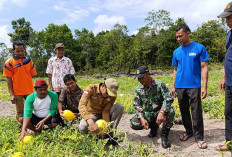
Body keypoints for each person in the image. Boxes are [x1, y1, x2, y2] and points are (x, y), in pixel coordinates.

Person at [171, 24, 209, 149]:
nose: (178, 39)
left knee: (196, 111)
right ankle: (189, 131)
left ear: (188, 33)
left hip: (194, 85)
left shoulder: (199, 48)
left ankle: (199, 137)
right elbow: (175, 70)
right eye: (176, 37)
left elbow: (204, 67)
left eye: (180, 36)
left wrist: (205, 86)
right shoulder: (176, 52)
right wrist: (173, 86)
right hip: (180, 85)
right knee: (184, 111)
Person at [130, 66, 175, 149]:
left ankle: (164, 134)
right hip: (149, 113)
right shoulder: (139, 89)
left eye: (141, 77)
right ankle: (153, 127)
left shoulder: (159, 84)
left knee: (171, 112)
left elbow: (168, 98)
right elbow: (137, 105)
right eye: (138, 78)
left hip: (160, 112)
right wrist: (142, 118)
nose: (139, 80)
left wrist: (162, 112)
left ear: (148, 74)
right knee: (134, 122)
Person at [78, 78, 124, 144]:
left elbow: (106, 111)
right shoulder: (91, 88)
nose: (108, 95)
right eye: (107, 93)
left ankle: (111, 134)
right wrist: (91, 122)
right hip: (92, 115)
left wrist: (106, 127)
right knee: (82, 127)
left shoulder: (113, 95)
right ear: (103, 86)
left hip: (104, 114)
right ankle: (92, 135)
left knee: (119, 107)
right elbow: (81, 105)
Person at [3, 41, 37, 124]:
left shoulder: (29, 61)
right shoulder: (9, 63)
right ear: (13, 50)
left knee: (33, 109)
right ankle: (21, 126)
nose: (20, 53)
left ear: (24, 49)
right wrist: (11, 94)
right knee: (20, 112)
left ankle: (32, 125)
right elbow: (9, 79)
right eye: (18, 51)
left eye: (22, 50)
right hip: (17, 92)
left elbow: (31, 75)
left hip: (29, 91)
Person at [216, 1, 232, 151]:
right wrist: (224, 76)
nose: (226, 21)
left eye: (229, 17)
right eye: (226, 18)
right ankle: (230, 143)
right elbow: (228, 56)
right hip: (229, 81)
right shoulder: (229, 34)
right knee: (228, 112)